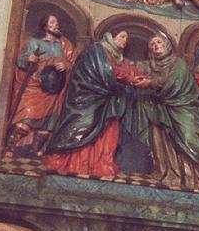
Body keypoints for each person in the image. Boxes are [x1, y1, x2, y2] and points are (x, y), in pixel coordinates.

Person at [44, 30, 149, 178]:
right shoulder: (97, 50)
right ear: (110, 37)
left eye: (127, 38)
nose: (125, 40)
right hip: (87, 99)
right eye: (122, 36)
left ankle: (99, 164)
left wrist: (145, 79)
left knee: (109, 133)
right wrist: (130, 79)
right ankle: (72, 163)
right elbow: (105, 71)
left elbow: (130, 71)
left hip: (107, 103)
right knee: (81, 128)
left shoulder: (120, 59)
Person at [137, 36, 199, 191]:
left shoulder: (178, 63)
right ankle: (172, 174)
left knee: (188, 138)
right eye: (152, 44)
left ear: (167, 45)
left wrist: (150, 83)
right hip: (162, 109)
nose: (156, 45)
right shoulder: (150, 66)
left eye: (159, 42)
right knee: (161, 138)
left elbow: (174, 82)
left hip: (185, 107)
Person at [5, 14, 75, 157]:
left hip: (55, 88)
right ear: (45, 26)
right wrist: (29, 59)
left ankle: (34, 150)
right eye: (53, 22)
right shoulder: (34, 42)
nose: (57, 24)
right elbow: (21, 60)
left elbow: (72, 62)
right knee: (27, 114)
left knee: (48, 122)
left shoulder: (64, 44)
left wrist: (66, 65)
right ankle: (10, 147)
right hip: (36, 85)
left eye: (57, 22)